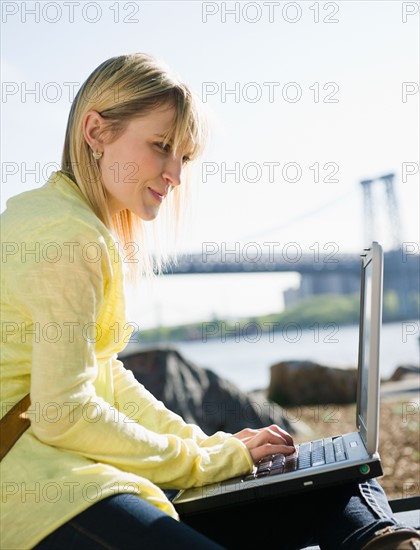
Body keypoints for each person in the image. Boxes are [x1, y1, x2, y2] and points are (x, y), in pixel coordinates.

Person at [0, 52, 418, 550]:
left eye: (184, 156)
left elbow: (106, 376)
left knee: (339, 476)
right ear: (96, 131)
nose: (175, 174)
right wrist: (206, 462)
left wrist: (209, 446)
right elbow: (63, 411)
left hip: (66, 470)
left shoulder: (71, 221)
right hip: (34, 491)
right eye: (160, 146)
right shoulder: (68, 236)